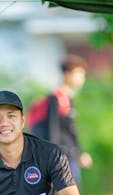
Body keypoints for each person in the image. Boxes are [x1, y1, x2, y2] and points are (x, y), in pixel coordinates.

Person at [26, 54, 92, 185]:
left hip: (70, 155)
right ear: (66, 75)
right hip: (61, 158)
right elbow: (53, 131)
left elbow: (70, 131)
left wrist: (79, 153)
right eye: (79, 74)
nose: (82, 78)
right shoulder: (55, 99)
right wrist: (55, 159)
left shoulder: (68, 98)